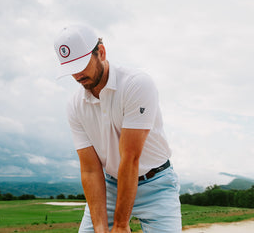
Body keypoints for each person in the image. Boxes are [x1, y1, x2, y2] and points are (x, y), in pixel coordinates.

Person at [54, 24, 181, 233]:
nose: (77, 75)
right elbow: (90, 169)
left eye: (81, 64)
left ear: (101, 52)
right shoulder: (75, 105)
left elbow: (130, 158)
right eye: (70, 69)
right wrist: (101, 227)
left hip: (157, 185)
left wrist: (121, 226)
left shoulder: (136, 84)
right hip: (111, 186)